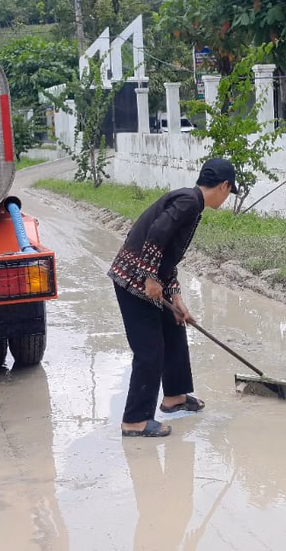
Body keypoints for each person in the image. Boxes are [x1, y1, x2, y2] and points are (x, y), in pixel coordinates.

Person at [108, 158, 235, 438]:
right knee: (149, 351)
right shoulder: (189, 202)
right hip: (133, 283)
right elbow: (156, 234)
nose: (227, 197)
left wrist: (176, 298)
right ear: (224, 186)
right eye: (230, 191)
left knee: (174, 325)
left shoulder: (191, 203)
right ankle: (135, 421)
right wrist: (149, 277)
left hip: (147, 279)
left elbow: (167, 258)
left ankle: (175, 396)